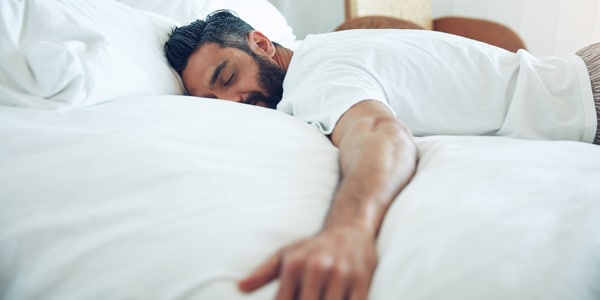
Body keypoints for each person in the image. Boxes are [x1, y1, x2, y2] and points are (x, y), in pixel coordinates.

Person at [164, 10, 600, 300]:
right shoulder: (327, 49)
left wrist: (347, 231)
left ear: (260, 43)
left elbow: (377, 129)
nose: (233, 101)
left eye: (227, 76)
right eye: (213, 99)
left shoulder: (315, 76)